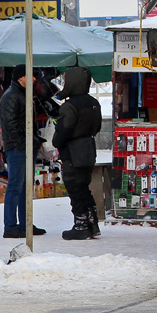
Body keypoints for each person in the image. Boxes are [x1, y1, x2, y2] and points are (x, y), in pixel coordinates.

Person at [52, 64, 102, 240]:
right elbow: (98, 127)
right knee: (84, 187)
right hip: (89, 148)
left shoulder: (70, 106)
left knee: (75, 188)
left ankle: (80, 225)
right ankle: (92, 223)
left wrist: (57, 141)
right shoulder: (94, 103)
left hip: (73, 151)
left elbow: (63, 131)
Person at [0, 65, 46, 239]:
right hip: (18, 148)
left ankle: (25, 223)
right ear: (21, 78)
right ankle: (10, 226)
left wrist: (33, 141)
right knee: (15, 186)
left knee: (25, 186)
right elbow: (10, 125)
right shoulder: (11, 96)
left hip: (26, 146)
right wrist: (24, 144)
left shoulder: (22, 95)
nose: (34, 79)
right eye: (31, 76)